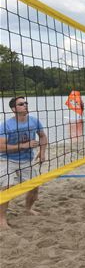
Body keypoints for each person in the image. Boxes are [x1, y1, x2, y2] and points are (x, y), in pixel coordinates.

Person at [0, 97, 48, 229]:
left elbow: (43, 136)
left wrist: (42, 152)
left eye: (26, 103)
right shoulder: (6, 125)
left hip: (27, 160)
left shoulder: (34, 121)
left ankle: (28, 209)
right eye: (21, 104)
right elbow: (1, 147)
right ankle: (2, 219)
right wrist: (24, 145)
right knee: (8, 186)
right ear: (14, 109)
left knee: (34, 186)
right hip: (7, 159)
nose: (25, 105)